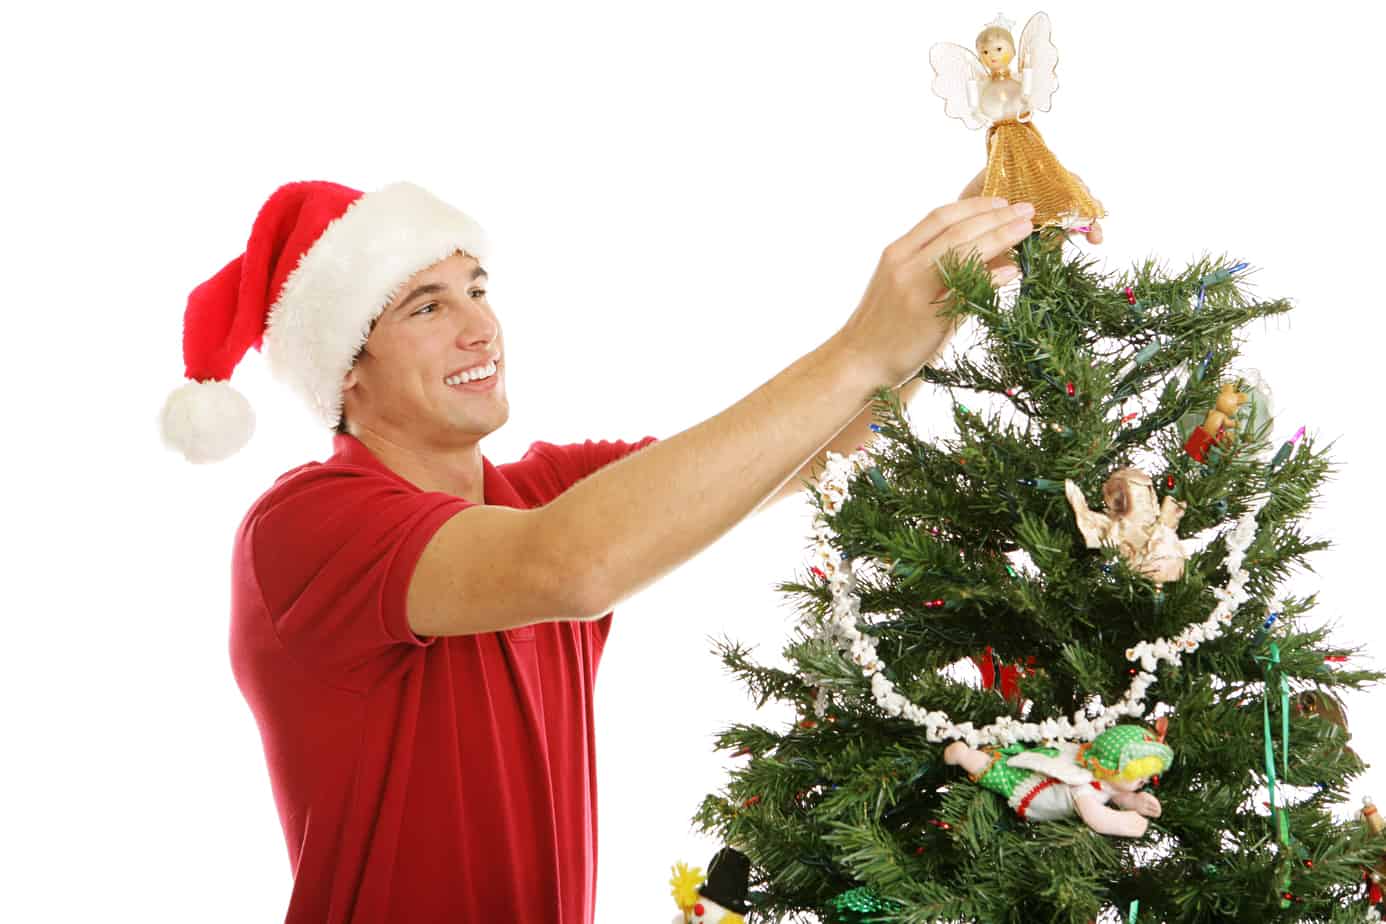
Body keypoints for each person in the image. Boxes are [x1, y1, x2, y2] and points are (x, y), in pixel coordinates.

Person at [159, 176, 1094, 923]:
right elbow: (568, 567)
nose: (480, 326)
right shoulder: (309, 523)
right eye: (426, 308)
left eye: (478, 290)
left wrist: (954, 281)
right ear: (346, 367)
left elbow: (801, 453)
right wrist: (858, 348)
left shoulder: (543, 488)